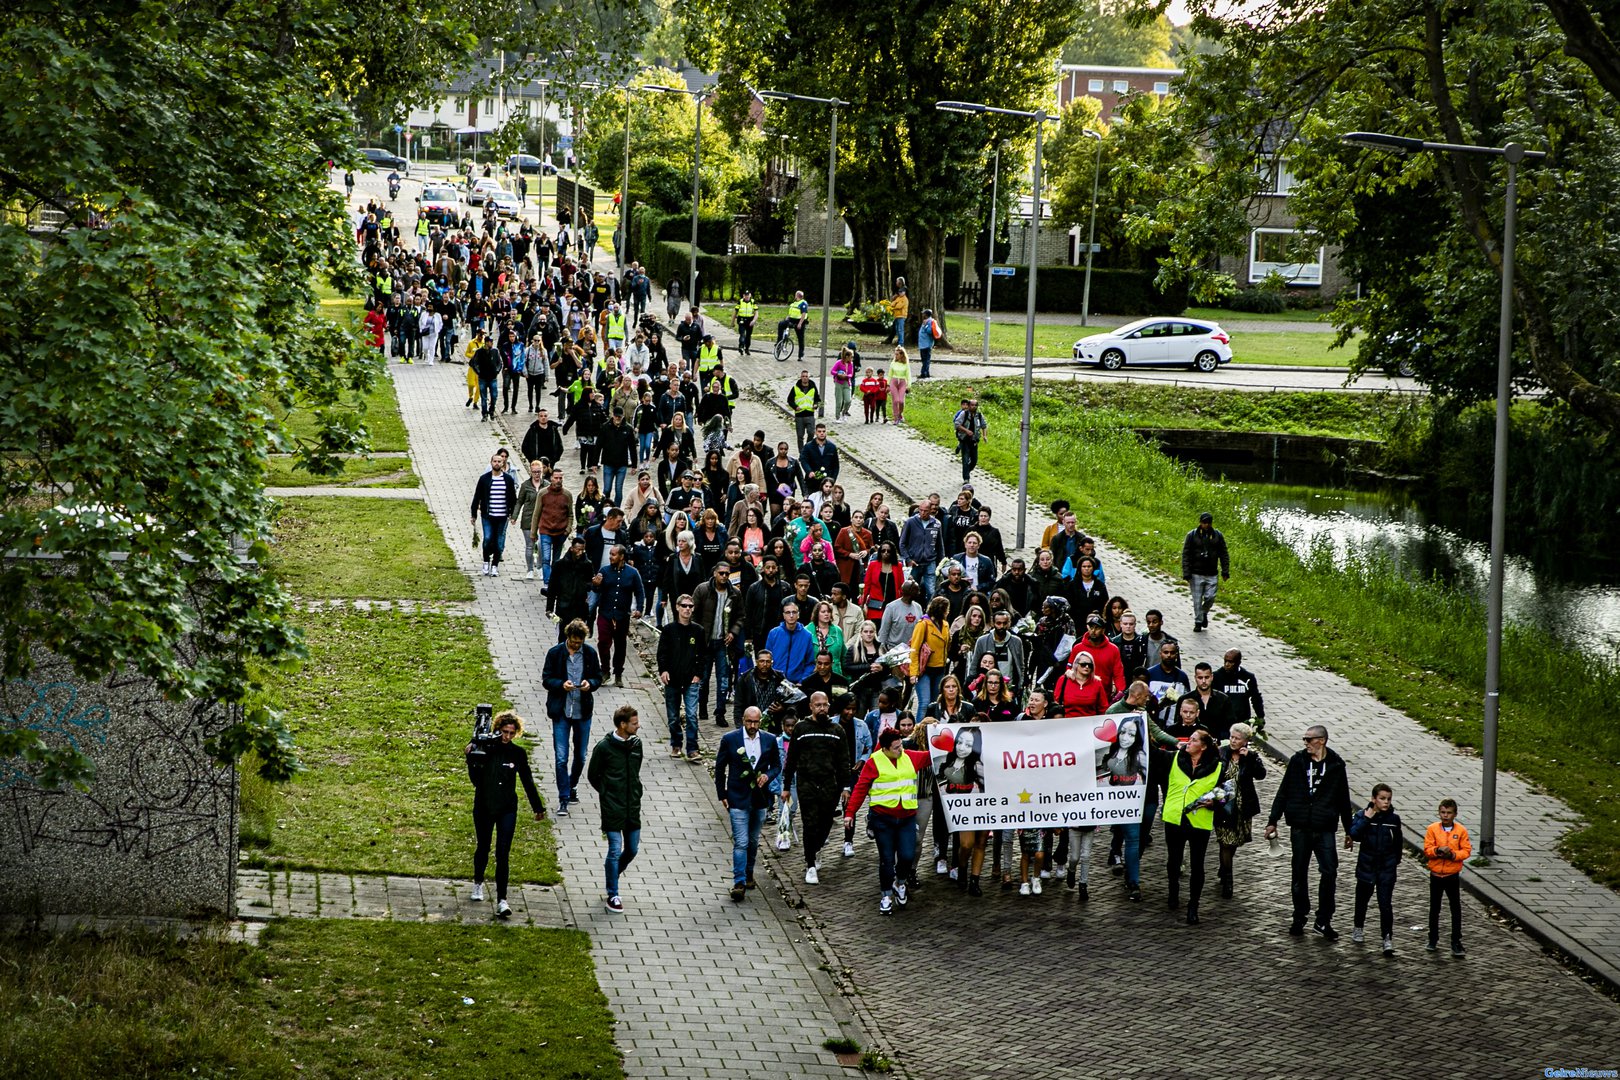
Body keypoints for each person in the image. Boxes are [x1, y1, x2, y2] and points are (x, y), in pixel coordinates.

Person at [1265, 723, 1355, 939]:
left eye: (1309, 739)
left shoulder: (1335, 765)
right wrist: (1273, 820)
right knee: (1299, 873)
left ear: (1321, 741)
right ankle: (1299, 916)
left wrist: (1349, 830)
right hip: (1301, 827)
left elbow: (1343, 799)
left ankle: (1323, 920)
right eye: (1304, 740)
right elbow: (1284, 791)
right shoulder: (1298, 761)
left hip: (1324, 827)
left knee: (1329, 872)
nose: (1305, 743)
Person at [465, 710, 546, 917]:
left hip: (507, 807)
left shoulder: (517, 754)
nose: (507, 736)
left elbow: (527, 780)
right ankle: (478, 882)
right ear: (497, 730)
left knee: (503, 853)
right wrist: (470, 756)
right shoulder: (486, 750)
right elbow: (475, 779)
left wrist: (537, 807)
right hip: (484, 805)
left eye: (511, 733)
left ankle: (502, 899)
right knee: (483, 847)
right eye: (504, 732)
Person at [844, 727, 933, 915]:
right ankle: (885, 896)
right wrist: (850, 812)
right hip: (883, 819)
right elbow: (861, 788)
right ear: (884, 748)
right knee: (886, 859)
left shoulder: (909, 756)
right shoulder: (874, 762)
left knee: (907, 856)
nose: (900, 750)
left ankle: (900, 883)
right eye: (895, 748)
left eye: (901, 746)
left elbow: (932, 754)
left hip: (907, 818)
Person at [782, 691, 851, 884]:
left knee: (826, 822)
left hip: (830, 784)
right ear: (811, 707)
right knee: (809, 823)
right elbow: (792, 759)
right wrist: (786, 787)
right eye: (818, 705)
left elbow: (843, 761)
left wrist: (846, 786)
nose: (822, 708)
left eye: (825, 705)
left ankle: (816, 848)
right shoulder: (801, 729)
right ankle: (810, 863)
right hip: (807, 783)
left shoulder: (837, 731)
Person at [715, 707, 783, 900]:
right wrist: (722, 793)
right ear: (743, 720)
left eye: (756, 722)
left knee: (753, 841)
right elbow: (720, 767)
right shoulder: (730, 739)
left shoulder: (769, 739)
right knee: (741, 841)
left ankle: (749, 871)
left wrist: (767, 775)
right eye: (749, 722)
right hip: (737, 796)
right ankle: (739, 881)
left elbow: (777, 766)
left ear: (760, 721)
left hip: (760, 798)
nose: (752, 726)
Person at [586, 705, 645, 914]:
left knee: (632, 849)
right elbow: (593, 775)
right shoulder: (604, 747)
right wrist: (607, 793)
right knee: (614, 849)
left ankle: (613, 874)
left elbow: (636, 772)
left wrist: (636, 792)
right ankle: (613, 894)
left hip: (632, 806)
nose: (638, 726)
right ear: (623, 725)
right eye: (634, 723)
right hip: (612, 806)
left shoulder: (637, 745)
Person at [1163, 728, 1223, 924]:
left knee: (1198, 864)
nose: (1188, 742)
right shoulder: (1174, 758)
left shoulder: (1218, 766)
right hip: (1175, 818)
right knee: (1174, 859)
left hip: (1199, 821)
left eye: (1194, 740)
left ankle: (1193, 906)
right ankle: (1173, 892)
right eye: (1189, 739)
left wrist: (1215, 802)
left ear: (1203, 746)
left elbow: (1227, 792)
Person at [542, 619, 603, 814]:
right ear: (567, 637)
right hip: (561, 710)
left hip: (582, 711)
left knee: (581, 755)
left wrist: (589, 684)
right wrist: (561, 684)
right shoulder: (555, 653)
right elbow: (546, 679)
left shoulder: (590, 654)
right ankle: (563, 797)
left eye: (580, 642)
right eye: (574, 642)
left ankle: (572, 784)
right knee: (561, 757)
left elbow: (597, 677)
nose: (577, 645)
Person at [1348, 782, 1404, 955]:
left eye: (1388, 799)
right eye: (1382, 799)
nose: (1386, 802)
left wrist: (1394, 861)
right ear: (1373, 799)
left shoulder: (1393, 820)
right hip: (1367, 866)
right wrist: (1367, 818)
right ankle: (1358, 927)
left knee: (1385, 903)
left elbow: (1398, 842)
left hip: (1386, 868)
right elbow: (1354, 834)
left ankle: (1387, 937)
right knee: (1362, 900)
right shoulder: (1362, 815)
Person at [1214, 722, 1267, 899]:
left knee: (1235, 840)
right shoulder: (1222, 753)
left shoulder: (1250, 756)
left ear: (1245, 741)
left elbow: (1261, 775)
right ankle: (1228, 881)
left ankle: (1224, 867)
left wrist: (1250, 757)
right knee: (1225, 842)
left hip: (1243, 806)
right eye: (1232, 737)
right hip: (1224, 806)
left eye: (1237, 739)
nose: (1233, 741)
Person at [658, 593, 706, 762]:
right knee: (673, 715)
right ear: (677, 607)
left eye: (690, 606)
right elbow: (662, 653)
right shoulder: (669, 630)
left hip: (690, 679)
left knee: (692, 715)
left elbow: (703, 655)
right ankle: (676, 744)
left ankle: (692, 748)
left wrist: (698, 674)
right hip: (672, 679)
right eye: (684, 606)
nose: (687, 609)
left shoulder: (698, 631)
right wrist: (663, 670)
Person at [1423, 797, 1471, 956]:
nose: (1445, 816)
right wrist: (1437, 851)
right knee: (1434, 908)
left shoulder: (1461, 831)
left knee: (1455, 908)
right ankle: (1432, 938)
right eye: (1443, 812)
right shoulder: (1432, 829)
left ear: (1454, 814)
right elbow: (1427, 849)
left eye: (1449, 813)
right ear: (1439, 813)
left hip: (1451, 875)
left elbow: (1466, 851)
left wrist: (1452, 855)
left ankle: (1456, 941)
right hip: (1436, 874)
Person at [592, 545, 645, 686]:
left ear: (621, 556)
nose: (610, 557)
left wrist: (640, 608)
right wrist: (596, 585)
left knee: (620, 645)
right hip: (605, 613)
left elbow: (640, 592)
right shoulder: (604, 571)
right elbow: (596, 589)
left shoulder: (633, 573)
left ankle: (618, 673)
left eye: (614, 554)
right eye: (610, 554)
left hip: (622, 615)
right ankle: (604, 670)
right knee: (603, 642)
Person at [1181, 511, 1230, 632]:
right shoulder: (1192, 535)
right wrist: (1186, 572)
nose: (1206, 525)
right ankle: (1198, 622)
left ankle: (1204, 613)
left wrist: (1225, 571)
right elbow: (1185, 554)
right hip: (1195, 573)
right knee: (1197, 600)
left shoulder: (1217, 536)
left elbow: (1224, 554)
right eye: (1204, 522)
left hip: (1212, 573)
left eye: (1208, 523)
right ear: (1200, 523)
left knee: (1210, 597)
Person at [470, 452, 516, 578]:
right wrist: (473, 514)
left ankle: (495, 565)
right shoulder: (484, 479)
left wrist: (513, 514)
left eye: (499, 461)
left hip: (502, 516)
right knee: (488, 539)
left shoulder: (508, 479)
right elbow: (477, 496)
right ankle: (486, 562)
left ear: (503, 463)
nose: (497, 463)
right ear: (491, 463)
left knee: (499, 542)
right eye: (494, 461)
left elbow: (513, 498)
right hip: (488, 515)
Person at [908, 596, 951, 717]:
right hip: (924, 670)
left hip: (940, 669)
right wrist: (913, 673)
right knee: (924, 703)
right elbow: (914, 650)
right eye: (946, 609)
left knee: (935, 704)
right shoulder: (923, 625)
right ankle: (919, 732)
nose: (948, 612)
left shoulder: (946, 625)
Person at [1212, 648, 1267, 734]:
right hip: (1222, 721)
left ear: (1238, 662)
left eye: (1231, 662)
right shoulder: (1216, 677)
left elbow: (1256, 698)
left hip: (1242, 720)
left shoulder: (1248, 677)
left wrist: (1260, 716)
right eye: (1225, 661)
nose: (1227, 664)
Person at [766, 599, 817, 684]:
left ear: (798, 615)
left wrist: (802, 681)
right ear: (783, 615)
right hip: (775, 681)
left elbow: (810, 663)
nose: (791, 615)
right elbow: (767, 658)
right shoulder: (773, 633)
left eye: (794, 612)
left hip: (797, 683)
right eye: (788, 612)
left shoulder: (807, 635)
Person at [951, 396, 986, 485]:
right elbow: (957, 424)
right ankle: (966, 478)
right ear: (969, 405)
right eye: (972, 405)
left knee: (974, 460)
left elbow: (984, 425)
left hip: (974, 440)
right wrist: (966, 431)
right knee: (965, 459)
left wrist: (984, 436)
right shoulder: (964, 414)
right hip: (964, 439)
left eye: (975, 405)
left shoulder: (979, 415)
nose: (973, 407)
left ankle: (967, 470)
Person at [787, 370, 822, 451]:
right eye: (803, 376)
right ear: (801, 377)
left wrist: (816, 405)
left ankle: (807, 448)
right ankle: (801, 452)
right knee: (800, 436)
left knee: (811, 433)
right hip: (799, 415)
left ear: (808, 378)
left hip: (810, 414)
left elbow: (817, 398)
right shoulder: (795, 388)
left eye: (806, 376)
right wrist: (795, 407)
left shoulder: (813, 388)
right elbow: (789, 400)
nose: (805, 378)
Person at [781, 289, 810, 360]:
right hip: (791, 320)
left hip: (799, 322)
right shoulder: (794, 303)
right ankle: (781, 341)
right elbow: (791, 312)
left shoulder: (803, 303)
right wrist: (787, 318)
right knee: (781, 325)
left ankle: (800, 354)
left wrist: (800, 323)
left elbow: (803, 314)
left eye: (795, 295)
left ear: (797, 296)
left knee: (800, 338)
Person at [888, 347, 911, 424]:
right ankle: (895, 417)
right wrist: (888, 384)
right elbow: (889, 375)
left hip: (902, 382)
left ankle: (900, 414)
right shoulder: (893, 363)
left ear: (902, 355)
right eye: (895, 354)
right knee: (895, 400)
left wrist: (909, 385)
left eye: (897, 354)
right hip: (894, 382)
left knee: (901, 401)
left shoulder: (906, 364)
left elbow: (908, 375)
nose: (896, 356)